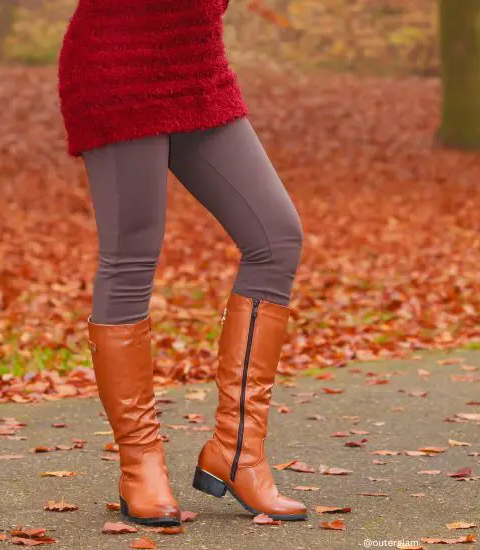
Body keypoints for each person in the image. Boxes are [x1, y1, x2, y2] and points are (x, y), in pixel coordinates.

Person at [57, 0, 307, 526]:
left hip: (196, 67)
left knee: (276, 237)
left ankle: (238, 452)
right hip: (117, 64)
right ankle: (140, 463)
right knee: (131, 259)